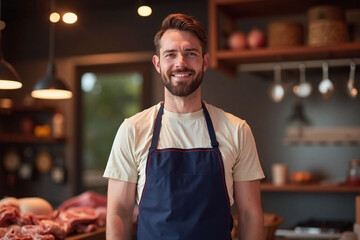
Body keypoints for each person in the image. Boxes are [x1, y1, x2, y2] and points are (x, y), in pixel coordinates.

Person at [103, 13, 265, 240]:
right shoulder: (133, 130)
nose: (181, 62)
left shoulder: (237, 130)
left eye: (190, 53)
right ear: (158, 63)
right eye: (170, 54)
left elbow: (250, 214)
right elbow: (118, 214)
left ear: (205, 62)